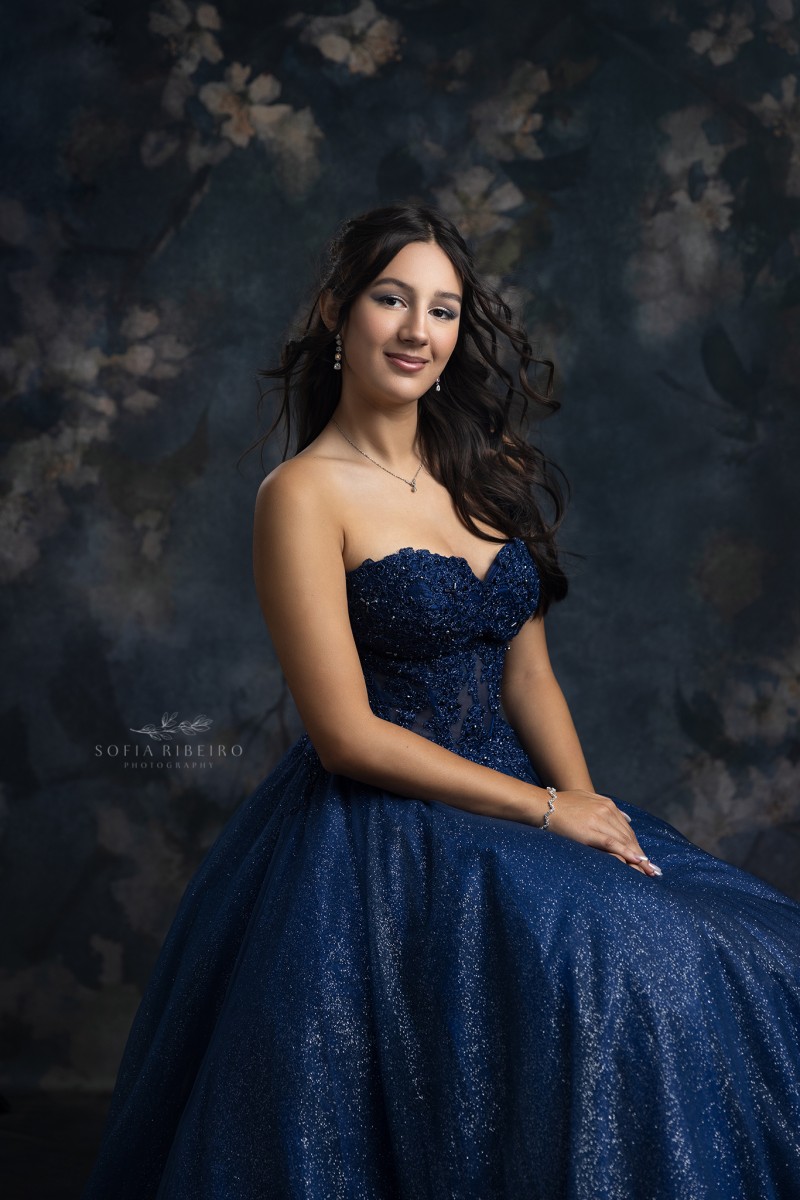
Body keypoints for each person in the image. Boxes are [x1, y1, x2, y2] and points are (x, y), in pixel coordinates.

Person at [82, 203, 800, 1200]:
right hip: (385, 826)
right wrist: (546, 812)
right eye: (391, 299)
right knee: (627, 969)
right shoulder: (300, 494)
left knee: (750, 949)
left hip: (519, 801)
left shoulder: (488, 473)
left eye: (444, 309)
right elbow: (342, 736)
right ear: (339, 312)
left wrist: (594, 820)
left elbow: (528, 676)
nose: (419, 330)